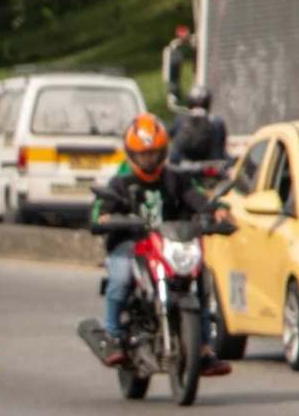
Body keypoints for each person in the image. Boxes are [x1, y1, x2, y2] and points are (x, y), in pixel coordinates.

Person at [93, 112, 233, 376]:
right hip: (131, 245)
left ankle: (203, 348)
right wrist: (105, 218)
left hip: (169, 244)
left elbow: (198, 197)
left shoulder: (174, 179)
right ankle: (112, 335)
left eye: (153, 153)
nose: (148, 159)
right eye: (142, 154)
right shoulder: (121, 181)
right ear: (131, 154)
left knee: (202, 277)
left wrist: (218, 211)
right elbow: (100, 208)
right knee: (121, 278)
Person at [168, 85, 229, 164]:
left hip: (181, 166)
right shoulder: (217, 122)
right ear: (208, 104)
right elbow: (221, 150)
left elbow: (166, 136)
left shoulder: (180, 120)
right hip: (211, 166)